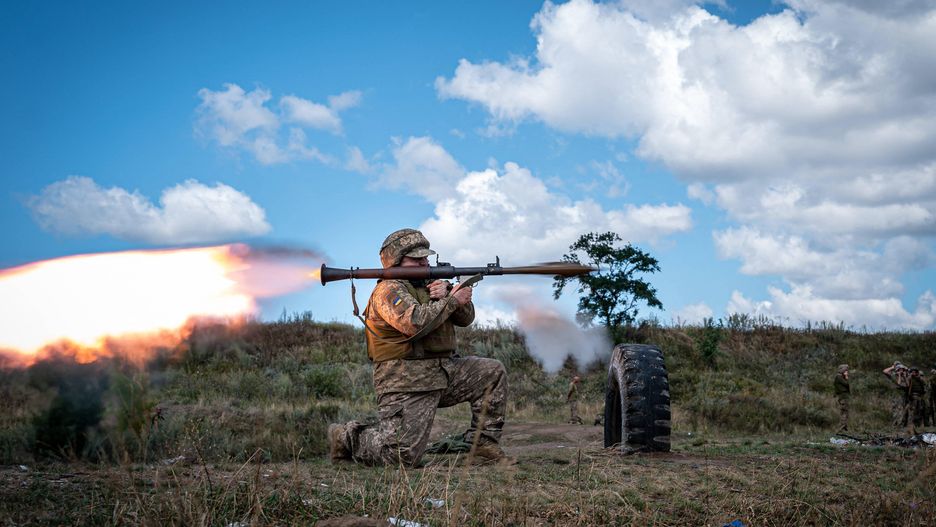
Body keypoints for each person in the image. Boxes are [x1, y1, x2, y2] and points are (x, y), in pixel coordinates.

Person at [328, 228, 512, 467]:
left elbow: (466, 319)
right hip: (405, 380)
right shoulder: (388, 290)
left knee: (491, 372)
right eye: (416, 259)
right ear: (396, 261)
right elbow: (414, 323)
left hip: (444, 372)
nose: (424, 262)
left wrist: (448, 292)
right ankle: (346, 436)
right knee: (401, 457)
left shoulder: (431, 284)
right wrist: (451, 300)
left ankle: (483, 444)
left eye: (425, 257)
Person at [883, 361, 910, 429]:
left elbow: (908, 385)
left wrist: (905, 372)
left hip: (904, 395)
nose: (901, 370)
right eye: (899, 369)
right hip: (897, 395)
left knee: (905, 409)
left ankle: (903, 424)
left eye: (902, 369)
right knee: (897, 409)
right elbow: (885, 371)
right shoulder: (894, 375)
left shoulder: (905, 375)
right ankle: (896, 424)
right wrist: (893, 367)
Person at [906, 368, 926, 436]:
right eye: (912, 372)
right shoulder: (910, 378)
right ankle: (910, 429)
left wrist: (918, 377)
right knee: (912, 413)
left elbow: (924, 383)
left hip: (920, 397)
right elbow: (907, 385)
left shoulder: (919, 379)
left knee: (919, 412)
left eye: (915, 372)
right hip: (913, 397)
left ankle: (916, 429)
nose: (913, 373)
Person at [833, 364, 850, 432]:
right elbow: (847, 384)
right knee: (844, 412)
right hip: (843, 396)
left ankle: (844, 427)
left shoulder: (839, 377)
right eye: (846, 370)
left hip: (843, 396)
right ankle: (842, 428)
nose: (847, 372)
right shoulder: (839, 377)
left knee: (845, 411)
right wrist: (846, 377)